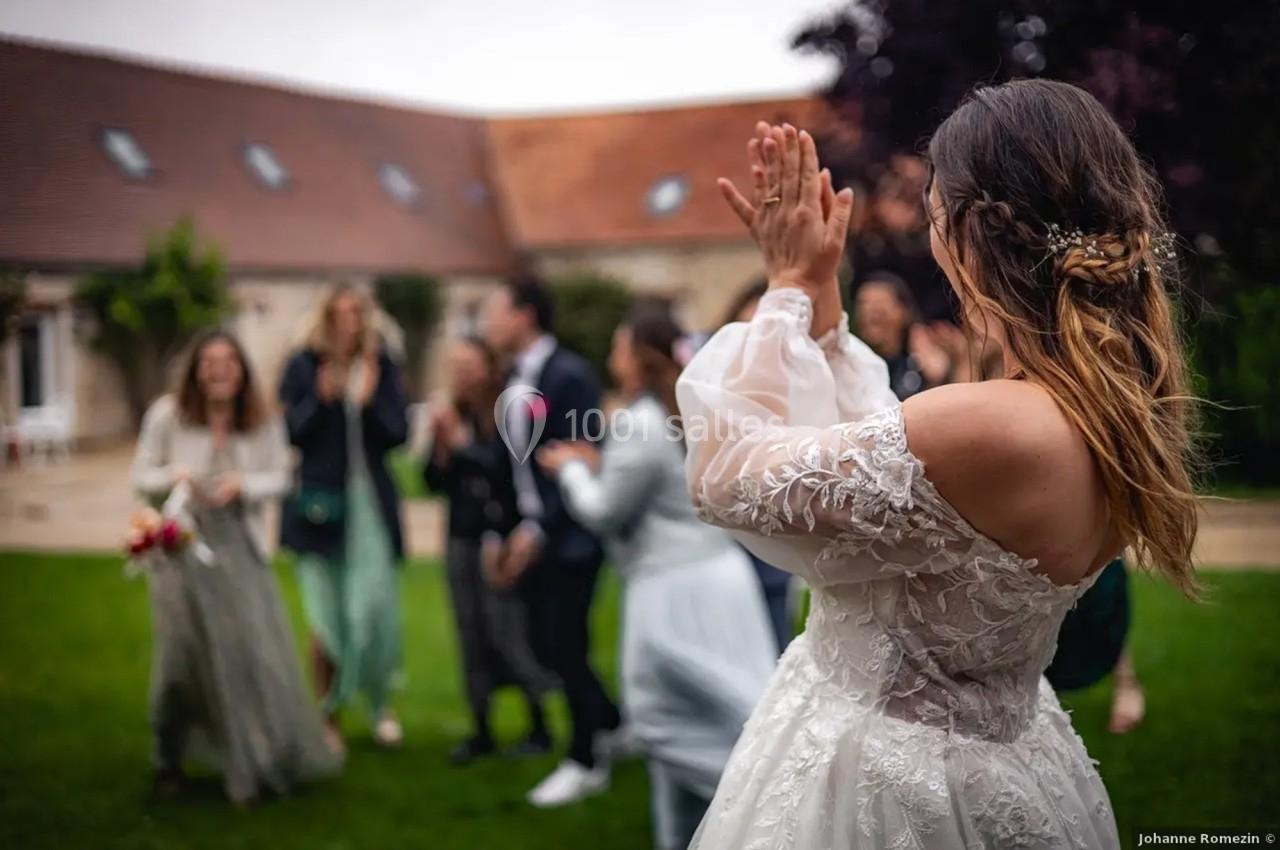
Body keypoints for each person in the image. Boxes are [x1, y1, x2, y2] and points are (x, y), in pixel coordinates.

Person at [686, 80, 1198, 848]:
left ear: (965, 230)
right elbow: (890, 465)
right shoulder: (1113, 414)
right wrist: (826, 302)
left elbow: (727, 478)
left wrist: (786, 289)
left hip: (885, 788)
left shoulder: (993, 423)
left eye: (932, 213)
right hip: (1007, 765)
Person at [537, 302, 776, 850]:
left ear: (638, 359)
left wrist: (571, 469)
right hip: (720, 577)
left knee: (657, 716)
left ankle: (763, 804)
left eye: (618, 347)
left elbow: (603, 511)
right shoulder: (686, 412)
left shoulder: (641, 423)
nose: (611, 357)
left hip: (673, 590)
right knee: (732, 708)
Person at [132, 330, 340, 805]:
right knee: (179, 664)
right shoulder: (167, 415)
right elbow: (141, 475)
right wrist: (173, 477)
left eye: (229, 361)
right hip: (182, 555)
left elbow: (283, 476)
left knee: (249, 657)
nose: (219, 369)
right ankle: (169, 760)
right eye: (209, 361)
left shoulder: (260, 419)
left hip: (241, 552)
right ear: (196, 369)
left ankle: (252, 759)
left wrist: (244, 485)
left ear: (242, 370)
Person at [481, 276, 623, 807]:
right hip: (537, 534)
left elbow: (580, 458)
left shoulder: (569, 376)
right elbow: (515, 467)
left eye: (494, 310)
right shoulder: (514, 377)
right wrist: (509, 527)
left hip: (572, 538)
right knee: (546, 644)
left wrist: (539, 532)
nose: (486, 324)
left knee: (564, 644)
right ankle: (609, 720)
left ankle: (586, 758)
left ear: (525, 315)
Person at [278, 283, 409, 755]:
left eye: (358, 313)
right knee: (324, 615)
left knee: (372, 610)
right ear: (326, 318)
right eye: (340, 313)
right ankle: (329, 714)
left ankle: (380, 706)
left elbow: (399, 435)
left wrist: (372, 401)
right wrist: (323, 400)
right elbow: (292, 433)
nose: (350, 322)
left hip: (370, 504)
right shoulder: (303, 365)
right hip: (320, 506)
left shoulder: (383, 365)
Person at [423, 336, 556, 764]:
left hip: (500, 537)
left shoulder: (510, 411)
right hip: (461, 538)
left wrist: (463, 447)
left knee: (508, 631)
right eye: (455, 366)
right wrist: (443, 450)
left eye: (470, 365)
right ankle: (481, 728)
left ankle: (540, 724)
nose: (463, 375)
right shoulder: (452, 415)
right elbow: (431, 482)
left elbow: (507, 469)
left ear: (489, 368)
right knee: (470, 633)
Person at [716, 279, 798, 655]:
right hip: (724, 529)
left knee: (773, 617)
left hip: (773, 524)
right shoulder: (718, 385)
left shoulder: (791, 382)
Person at [853, 270, 955, 399]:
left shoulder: (922, 361)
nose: (870, 315)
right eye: (863, 306)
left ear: (904, 311)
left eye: (879, 308)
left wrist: (937, 378)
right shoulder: (853, 365)